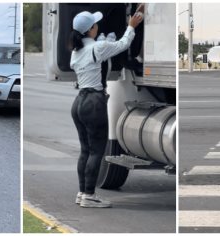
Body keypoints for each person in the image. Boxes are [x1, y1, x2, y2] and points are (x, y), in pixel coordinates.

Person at [69, 8, 143, 208]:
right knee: (96, 152)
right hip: (94, 101)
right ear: (91, 29)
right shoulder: (98, 47)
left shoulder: (76, 52)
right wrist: (131, 27)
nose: (98, 25)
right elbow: (123, 44)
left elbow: (98, 53)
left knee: (85, 151)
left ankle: (82, 192)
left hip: (79, 102)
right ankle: (90, 196)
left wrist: (103, 40)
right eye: (95, 24)